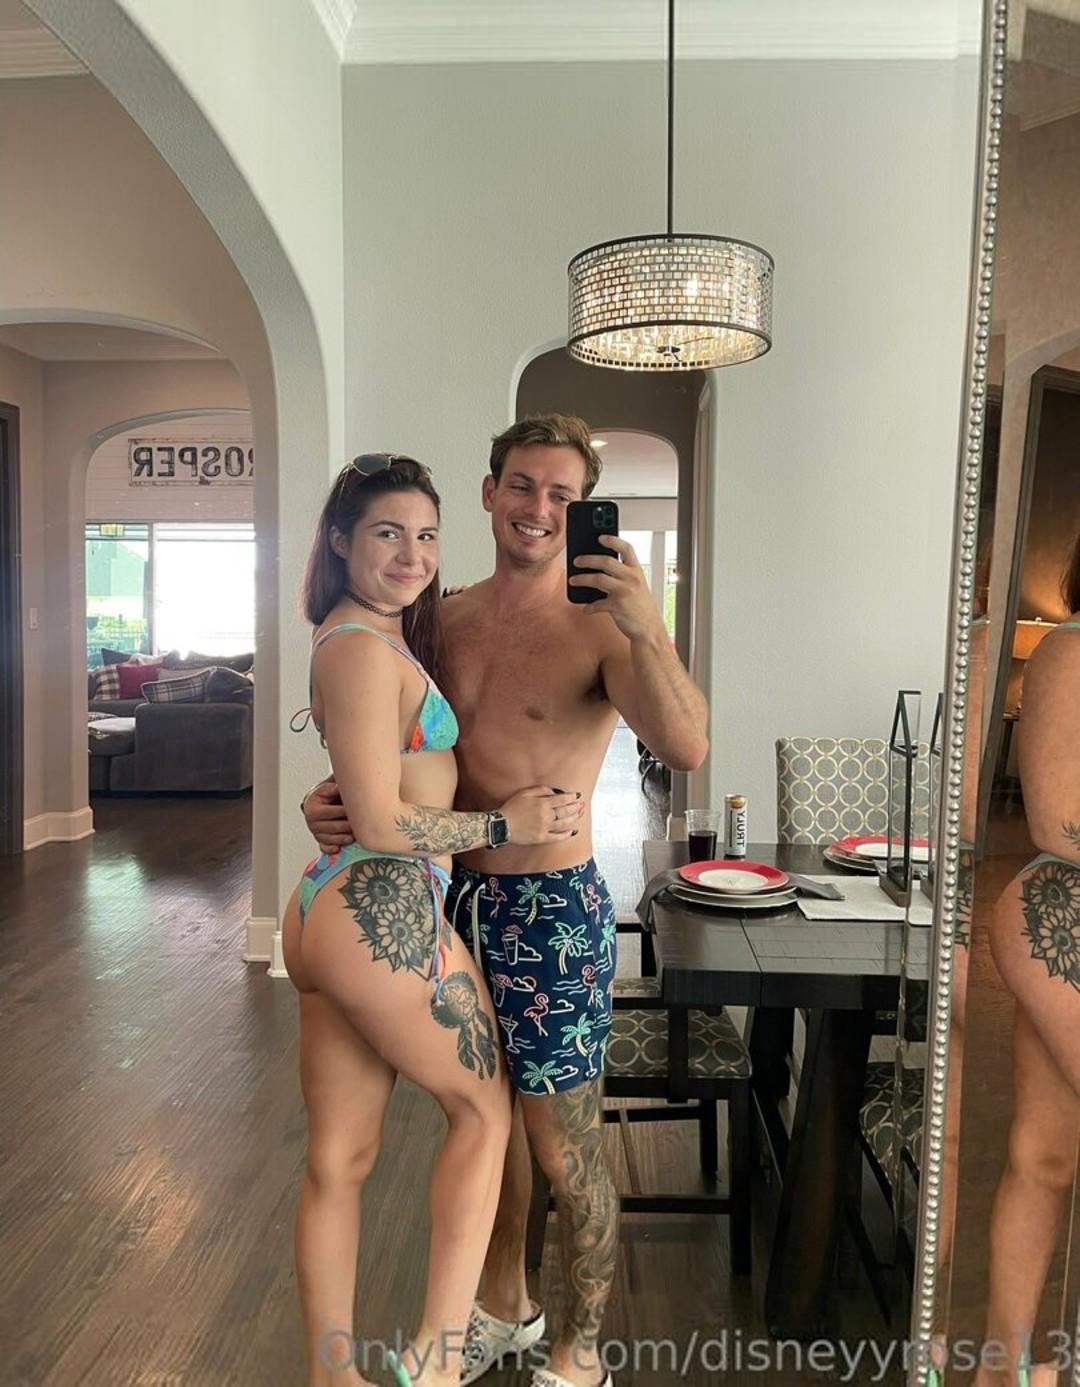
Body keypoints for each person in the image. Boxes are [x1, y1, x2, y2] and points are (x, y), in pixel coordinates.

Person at [304, 416, 709, 1387]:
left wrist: (647, 624)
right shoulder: (438, 616)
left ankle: (580, 1351)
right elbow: (391, 740)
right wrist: (332, 801)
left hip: (551, 910)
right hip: (446, 898)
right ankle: (503, 1307)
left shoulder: (603, 628)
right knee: (483, 1123)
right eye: (522, 485)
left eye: (563, 495)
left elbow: (689, 744)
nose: (539, 508)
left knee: (564, 1148)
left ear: (583, 509)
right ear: (489, 493)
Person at [282, 453, 586, 1387]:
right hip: (380, 902)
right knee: (483, 1112)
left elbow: (365, 783)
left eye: (425, 535)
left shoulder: (366, 635)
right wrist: (505, 824)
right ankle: (440, 1359)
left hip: (333, 909)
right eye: (388, 532)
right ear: (341, 540)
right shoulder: (360, 647)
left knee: (341, 1159)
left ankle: (335, 1376)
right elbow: (382, 820)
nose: (412, 554)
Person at [975, 533, 1080, 1387]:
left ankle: (1004, 1372)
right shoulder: (1070, 650)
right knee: (1040, 1155)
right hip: (1062, 913)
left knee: (1044, 1152)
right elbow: (1054, 817)